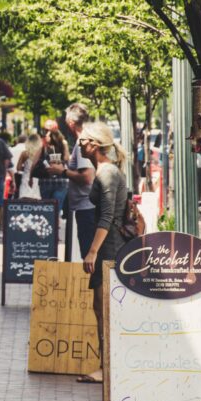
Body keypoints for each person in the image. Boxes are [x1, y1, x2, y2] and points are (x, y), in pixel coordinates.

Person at [77, 122, 131, 385]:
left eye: (83, 140)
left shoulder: (106, 173)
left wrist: (92, 251)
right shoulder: (105, 170)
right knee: (101, 307)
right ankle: (107, 364)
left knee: (105, 309)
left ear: (94, 145)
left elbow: (108, 216)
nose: (79, 143)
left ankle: (107, 368)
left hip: (111, 247)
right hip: (109, 246)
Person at [47, 103, 96, 257]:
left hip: (86, 207)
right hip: (87, 205)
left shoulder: (83, 143)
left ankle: (94, 282)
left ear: (70, 123)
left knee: (88, 255)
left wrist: (62, 171)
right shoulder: (88, 139)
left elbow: (87, 177)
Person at [15, 134, 44, 200]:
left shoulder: (25, 153)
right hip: (36, 179)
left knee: (24, 201)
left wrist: (26, 168)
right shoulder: (40, 153)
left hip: (26, 179)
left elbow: (18, 168)